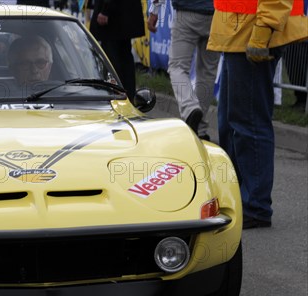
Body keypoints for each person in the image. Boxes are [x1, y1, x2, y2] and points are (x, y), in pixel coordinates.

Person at [207, 0, 308, 229]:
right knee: (232, 122)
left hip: (253, 31)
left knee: (248, 123)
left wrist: (263, 31)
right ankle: (239, 198)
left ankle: (255, 206)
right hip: (240, 31)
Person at [147, 0, 220, 141]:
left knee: (177, 67)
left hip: (187, 11)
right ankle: (201, 129)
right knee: (208, 72)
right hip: (216, 13)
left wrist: (154, 11)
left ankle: (190, 108)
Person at [89, 0, 145, 101]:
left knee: (112, 60)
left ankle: (116, 96)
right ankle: (128, 97)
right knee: (124, 58)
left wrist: (105, 10)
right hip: (122, 16)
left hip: (113, 18)